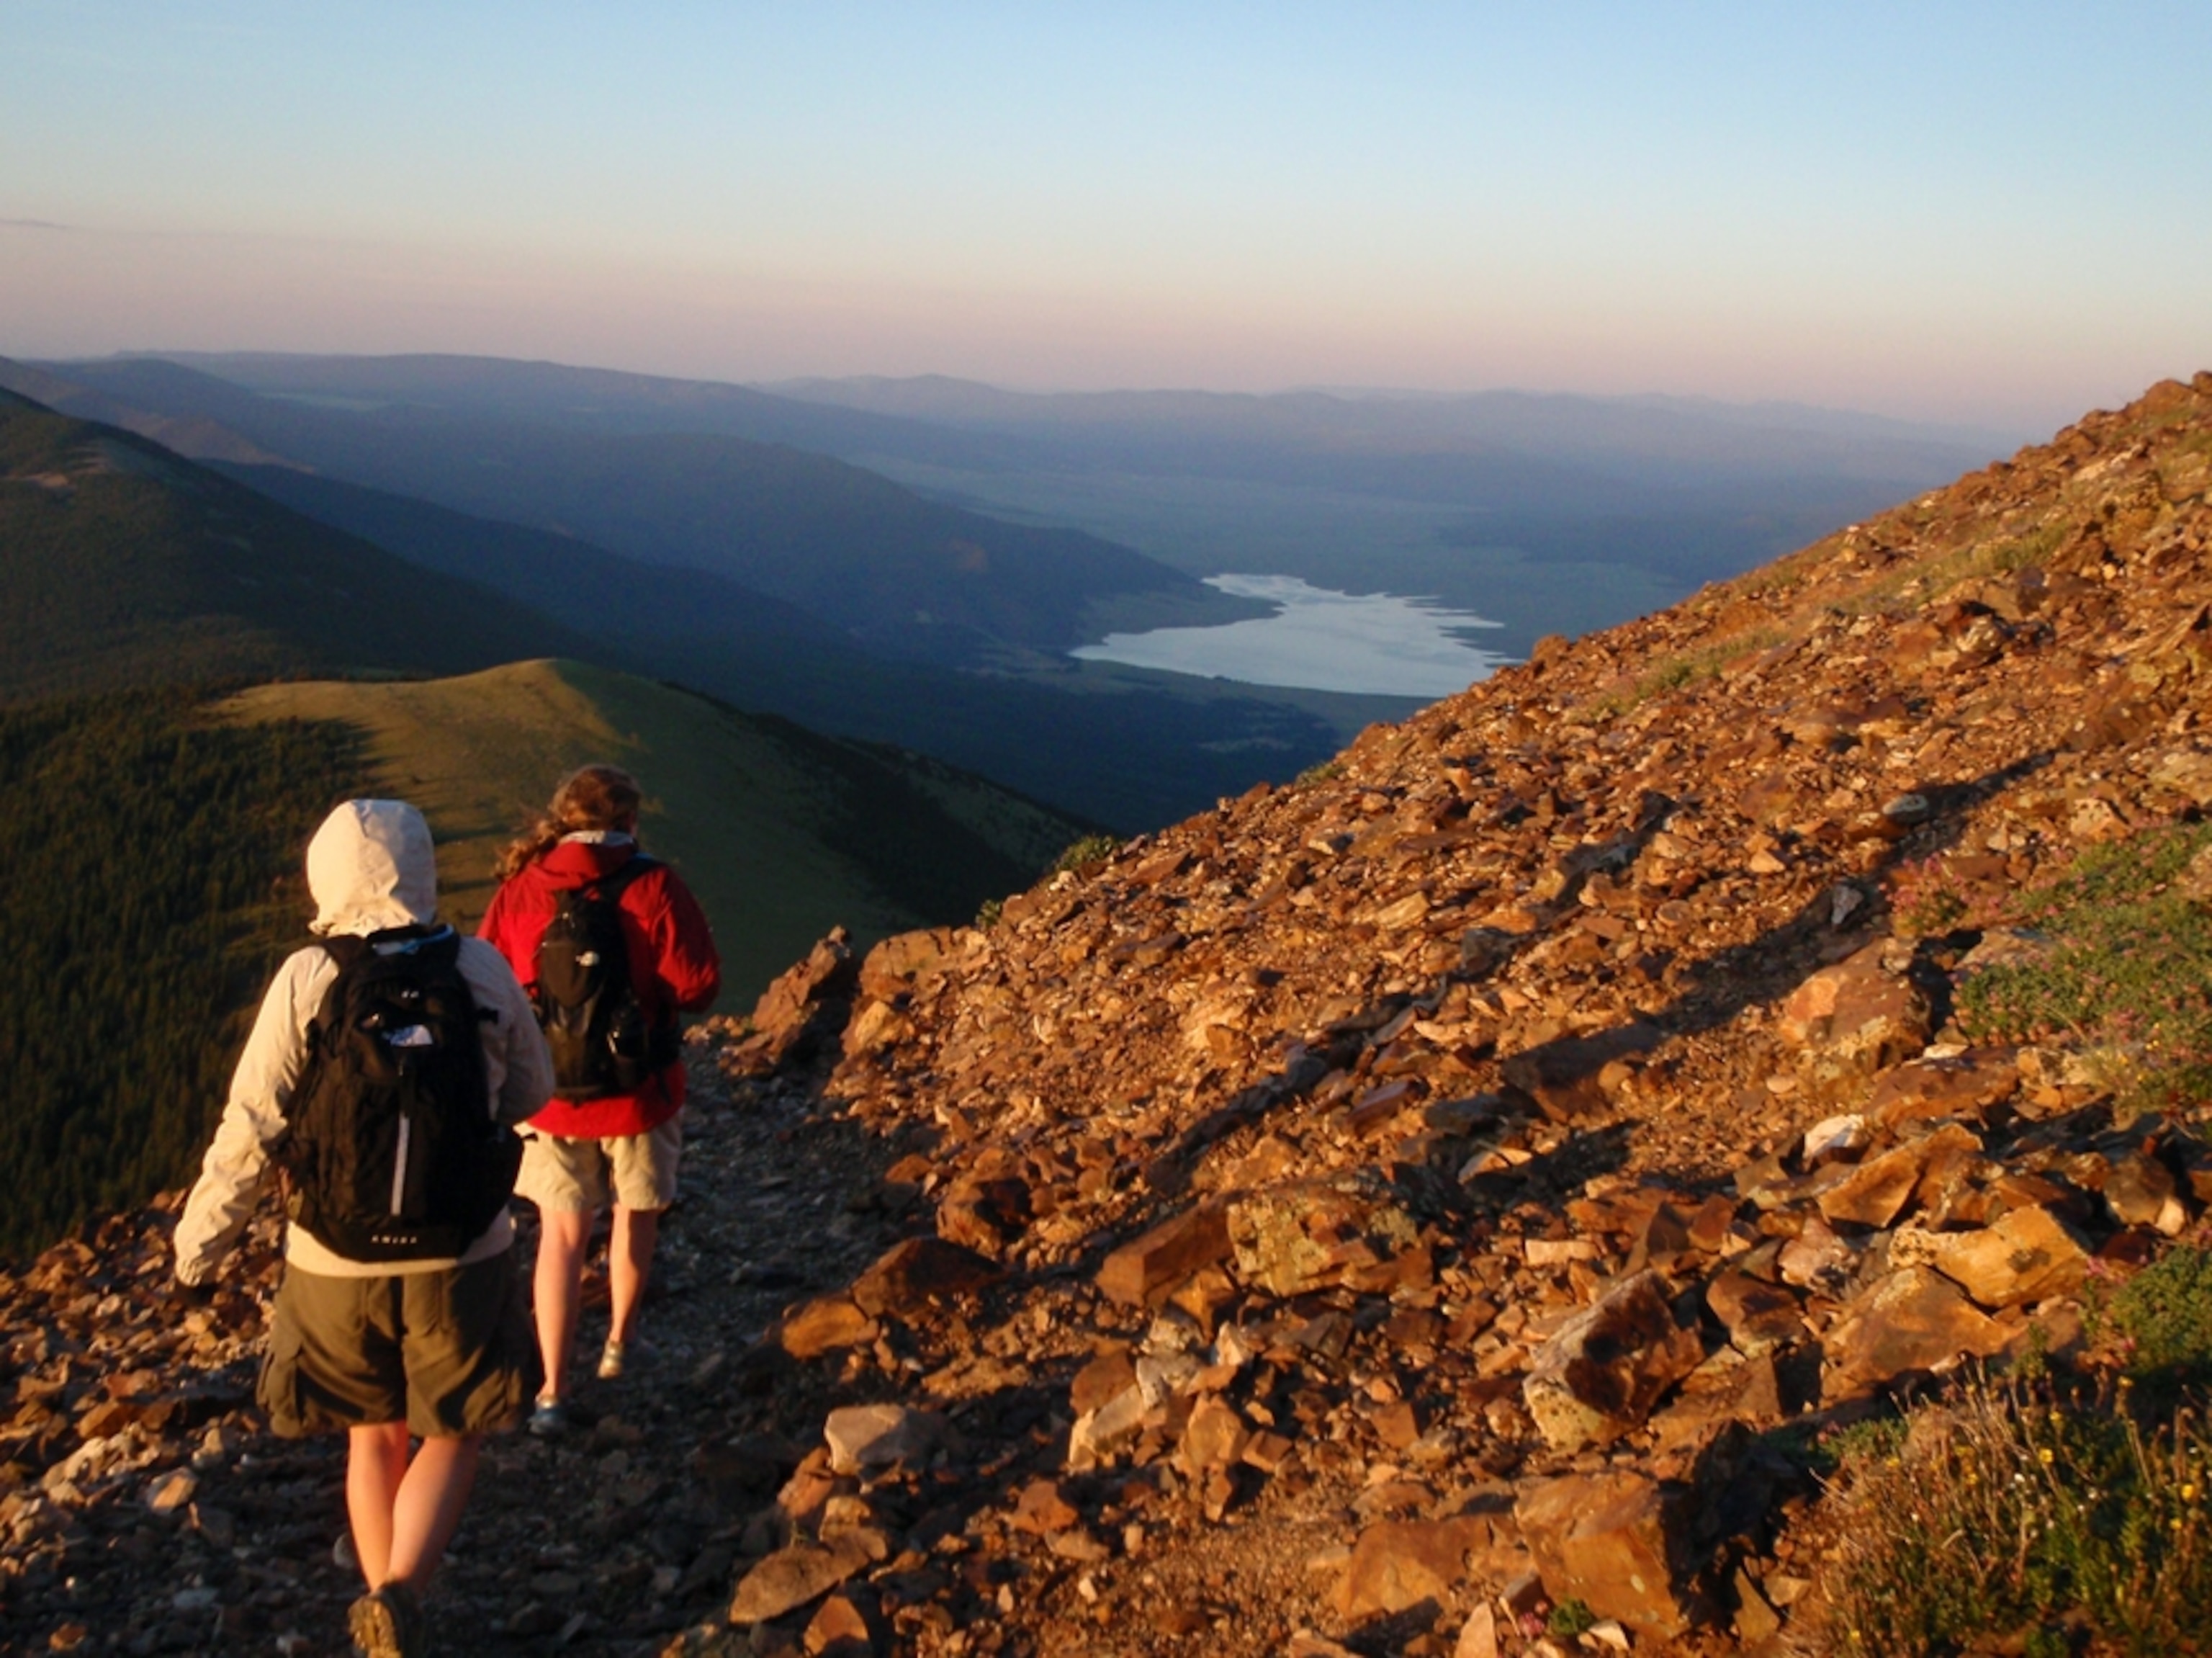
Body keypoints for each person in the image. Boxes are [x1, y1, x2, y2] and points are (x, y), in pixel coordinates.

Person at [174, 799, 553, 1658]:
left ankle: (386, 1616)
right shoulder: (481, 970)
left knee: (372, 1431)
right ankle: (399, 1600)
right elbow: (534, 1092)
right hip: (463, 1249)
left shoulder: (309, 978)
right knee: (453, 1429)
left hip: (331, 1256)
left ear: (326, 874)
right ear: (421, 871)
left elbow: (250, 1125)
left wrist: (197, 1253)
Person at [477, 764, 719, 1434]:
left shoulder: (521, 890)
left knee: (560, 1236)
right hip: (639, 1090)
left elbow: (489, 983)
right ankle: (621, 1342)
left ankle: (552, 1389)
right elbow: (698, 985)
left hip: (548, 1097)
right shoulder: (654, 886)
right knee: (635, 1216)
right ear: (630, 822)